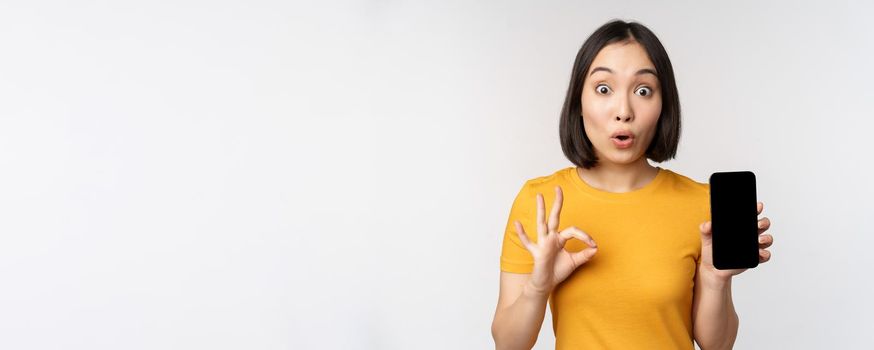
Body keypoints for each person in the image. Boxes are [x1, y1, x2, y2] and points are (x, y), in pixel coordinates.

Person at [490, 20, 775, 350]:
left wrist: (714, 278)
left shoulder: (701, 204)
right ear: (577, 103)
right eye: (603, 88)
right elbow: (508, 345)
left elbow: (718, 345)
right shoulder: (539, 202)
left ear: (663, 105)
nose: (623, 111)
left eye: (643, 91)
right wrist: (538, 287)